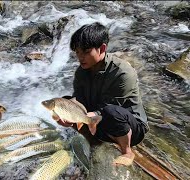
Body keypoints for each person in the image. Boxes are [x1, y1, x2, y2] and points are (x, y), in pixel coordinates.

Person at [56, 22, 149, 166]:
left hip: (129, 126)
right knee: (65, 103)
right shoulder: (82, 71)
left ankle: (127, 152)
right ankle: (92, 140)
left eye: (86, 52)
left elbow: (113, 106)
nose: (80, 57)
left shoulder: (123, 72)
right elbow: (79, 99)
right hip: (96, 121)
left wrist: (91, 115)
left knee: (111, 111)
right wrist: (69, 113)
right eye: (77, 52)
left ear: (102, 48)